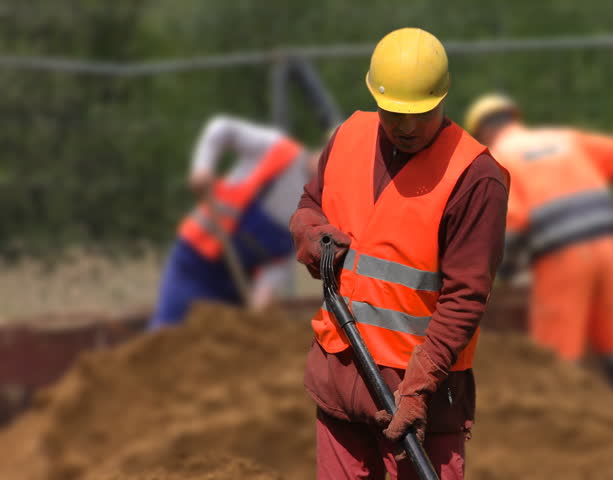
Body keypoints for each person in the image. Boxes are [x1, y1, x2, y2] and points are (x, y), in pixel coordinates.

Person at [289, 28, 509, 479]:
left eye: (420, 114)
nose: (406, 127)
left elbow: (466, 295)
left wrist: (419, 386)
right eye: (394, 114)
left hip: (417, 405)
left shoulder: (475, 178)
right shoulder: (349, 136)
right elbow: (310, 206)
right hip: (342, 382)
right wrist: (313, 237)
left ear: (442, 99)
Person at [463, 93, 613, 413]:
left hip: (562, 260)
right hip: (606, 248)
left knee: (555, 357)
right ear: (513, 118)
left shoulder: (496, 160)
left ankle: (562, 435)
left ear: (480, 133)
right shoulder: (562, 138)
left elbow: (513, 225)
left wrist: (505, 270)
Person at [148, 115, 317, 330]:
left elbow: (278, 260)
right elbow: (221, 129)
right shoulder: (279, 149)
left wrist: (260, 300)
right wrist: (203, 167)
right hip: (196, 262)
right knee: (167, 336)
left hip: (236, 287)